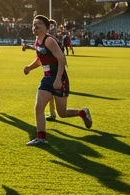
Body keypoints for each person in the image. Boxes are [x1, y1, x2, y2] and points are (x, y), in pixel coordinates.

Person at [23, 14, 92, 146]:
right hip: (47, 78)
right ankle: (41, 137)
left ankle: (82, 112)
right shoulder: (38, 41)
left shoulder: (49, 41)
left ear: (46, 28)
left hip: (59, 77)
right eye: (34, 24)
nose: (35, 26)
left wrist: (58, 79)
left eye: (39, 24)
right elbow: (41, 60)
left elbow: (61, 59)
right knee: (39, 107)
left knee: (62, 113)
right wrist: (29, 68)